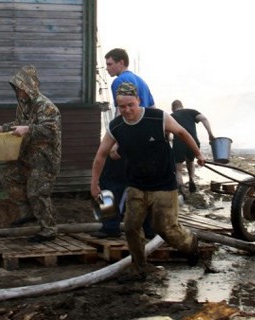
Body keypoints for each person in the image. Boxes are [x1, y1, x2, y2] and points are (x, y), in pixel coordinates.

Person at [90, 82, 205, 278]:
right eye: (122, 106)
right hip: (136, 185)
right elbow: (101, 154)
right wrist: (94, 183)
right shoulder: (116, 126)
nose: (126, 110)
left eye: (130, 105)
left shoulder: (158, 117)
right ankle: (140, 266)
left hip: (163, 184)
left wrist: (198, 154)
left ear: (138, 101)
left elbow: (182, 133)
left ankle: (190, 245)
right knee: (131, 226)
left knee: (165, 228)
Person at [0, 65, 62, 243]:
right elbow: (18, 123)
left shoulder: (47, 107)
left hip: (45, 160)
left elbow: (50, 130)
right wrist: (1, 128)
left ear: (29, 87)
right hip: (26, 157)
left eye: (21, 88)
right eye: (17, 88)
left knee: (37, 192)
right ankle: (29, 212)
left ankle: (49, 229)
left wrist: (27, 129)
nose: (19, 91)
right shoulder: (23, 105)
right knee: (7, 176)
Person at [91, 48, 156, 239]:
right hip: (142, 142)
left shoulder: (119, 81)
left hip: (126, 140)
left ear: (121, 62)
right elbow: (152, 108)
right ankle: (150, 229)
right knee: (141, 184)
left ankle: (110, 226)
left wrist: (116, 142)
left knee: (107, 182)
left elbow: (122, 111)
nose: (107, 69)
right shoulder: (141, 81)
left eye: (110, 64)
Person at [171, 99, 214, 195]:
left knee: (178, 168)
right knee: (190, 161)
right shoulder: (191, 112)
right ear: (182, 106)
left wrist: (167, 140)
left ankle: (181, 189)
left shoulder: (172, 116)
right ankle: (191, 180)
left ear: (172, 109)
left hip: (179, 143)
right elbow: (204, 119)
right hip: (193, 142)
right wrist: (210, 134)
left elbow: (167, 133)